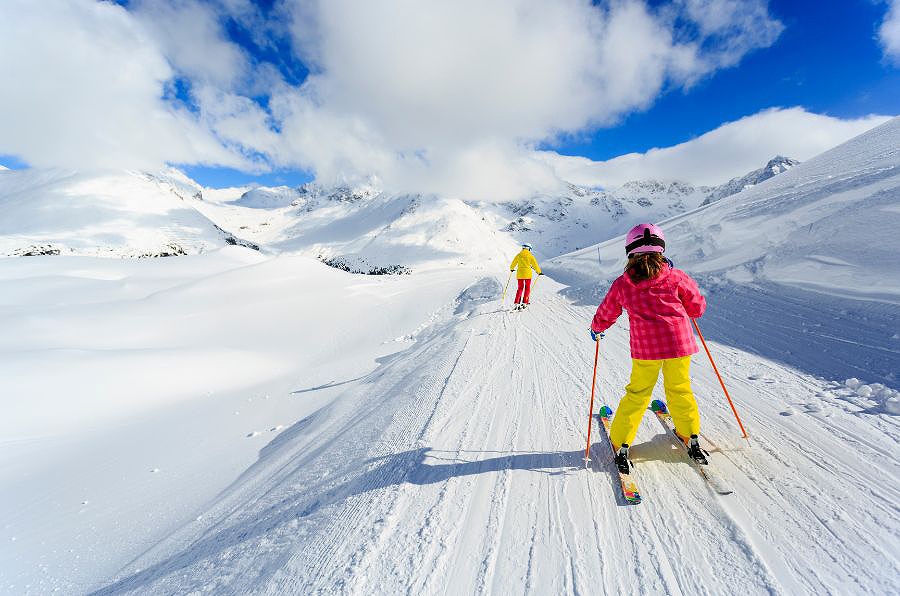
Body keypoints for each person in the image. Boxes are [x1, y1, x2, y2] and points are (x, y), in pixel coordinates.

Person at [589, 224, 707, 473]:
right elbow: (697, 308)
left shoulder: (623, 283)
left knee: (638, 393)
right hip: (679, 346)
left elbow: (608, 310)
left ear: (629, 252)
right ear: (661, 250)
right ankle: (690, 435)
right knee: (680, 388)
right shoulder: (677, 277)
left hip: (646, 350)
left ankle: (621, 442)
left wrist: (598, 327)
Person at [509, 243, 542, 310]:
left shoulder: (518, 255)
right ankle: (525, 302)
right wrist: (539, 272)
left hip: (520, 275)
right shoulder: (530, 256)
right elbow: (535, 264)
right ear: (529, 248)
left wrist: (512, 268)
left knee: (520, 288)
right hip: (528, 275)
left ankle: (516, 303)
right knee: (527, 288)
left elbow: (513, 263)